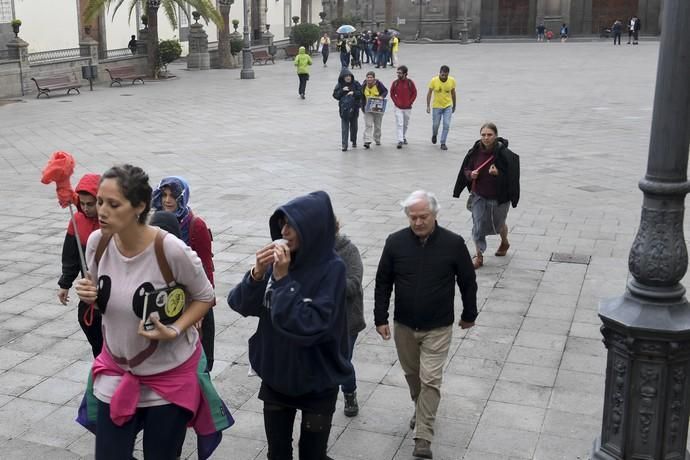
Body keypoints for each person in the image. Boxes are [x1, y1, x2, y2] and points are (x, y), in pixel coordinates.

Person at [74, 164, 230, 460]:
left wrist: (175, 328)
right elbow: (101, 295)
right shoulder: (98, 242)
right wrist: (89, 294)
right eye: (100, 201)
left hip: (168, 378)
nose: (101, 211)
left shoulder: (170, 249)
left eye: (113, 204)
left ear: (140, 206)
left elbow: (205, 296)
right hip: (116, 370)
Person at [227, 190, 351, 460]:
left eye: (292, 225)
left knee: (312, 454)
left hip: (317, 378)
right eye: (282, 224)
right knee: (277, 452)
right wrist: (257, 274)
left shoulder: (333, 269)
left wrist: (283, 281)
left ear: (312, 229)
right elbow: (240, 305)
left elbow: (311, 324)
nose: (284, 231)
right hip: (278, 375)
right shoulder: (278, 262)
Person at [374, 190, 477, 460]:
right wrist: (380, 318)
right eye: (413, 217)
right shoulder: (395, 242)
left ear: (435, 214)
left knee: (430, 379)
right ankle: (422, 410)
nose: (418, 222)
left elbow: (467, 281)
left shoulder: (453, 244)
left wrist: (470, 313)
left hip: (438, 326)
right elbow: (383, 281)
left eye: (424, 217)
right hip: (404, 326)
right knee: (413, 375)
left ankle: (423, 436)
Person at [151, 176, 216, 372]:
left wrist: (202, 311)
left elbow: (206, 267)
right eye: (164, 195)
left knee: (200, 362)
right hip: (166, 298)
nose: (168, 200)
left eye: (173, 196)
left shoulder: (195, 225)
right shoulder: (155, 221)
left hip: (194, 296)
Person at [452, 122, 520, 269]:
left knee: (499, 224)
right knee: (478, 225)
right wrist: (471, 174)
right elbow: (466, 169)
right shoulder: (474, 152)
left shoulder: (505, 154)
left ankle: (504, 241)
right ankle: (479, 256)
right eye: (483, 135)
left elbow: (512, 176)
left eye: (489, 135)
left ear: (495, 136)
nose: (486, 138)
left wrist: (498, 174)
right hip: (479, 196)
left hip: (499, 197)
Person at [58, 173, 103, 358]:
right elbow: (71, 257)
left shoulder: (111, 221)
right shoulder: (76, 221)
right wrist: (64, 284)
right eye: (82, 203)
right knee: (92, 332)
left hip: (111, 287)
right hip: (89, 292)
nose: (85, 208)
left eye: (90, 204)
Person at [334, 218, 365, 417]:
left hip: (346, 321)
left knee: (343, 360)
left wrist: (326, 281)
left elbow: (354, 283)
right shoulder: (307, 251)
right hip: (318, 320)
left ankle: (349, 391)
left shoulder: (348, 250)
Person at [426, 65, 456, 151]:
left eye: (446, 75)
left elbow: (453, 93)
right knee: (436, 125)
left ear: (448, 74)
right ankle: (434, 134)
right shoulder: (434, 80)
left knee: (446, 124)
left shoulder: (452, 81)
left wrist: (454, 105)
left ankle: (443, 142)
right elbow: (429, 93)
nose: (444, 77)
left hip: (447, 106)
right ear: (440, 73)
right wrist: (428, 106)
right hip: (437, 106)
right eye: (442, 74)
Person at [333, 68, 363, 152]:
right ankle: (344, 145)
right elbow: (335, 95)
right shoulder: (339, 85)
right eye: (346, 76)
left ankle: (353, 140)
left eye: (349, 76)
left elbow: (361, 93)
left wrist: (354, 93)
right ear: (342, 77)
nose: (348, 78)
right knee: (344, 128)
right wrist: (342, 91)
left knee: (354, 127)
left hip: (354, 109)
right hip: (344, 110)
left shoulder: (356, 83)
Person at [390, 65, 417, 149]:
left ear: (405, 74)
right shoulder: (395, 83)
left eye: (400, 73)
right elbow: (392, 93)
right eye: (397, 72)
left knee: (405, 124)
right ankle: (400, 140)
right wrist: (396, 102)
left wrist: (410, 102)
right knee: (400, 123)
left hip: (408, 107)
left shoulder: (410, 83)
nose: (398, 74)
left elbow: (414, 93)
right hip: (398, 107)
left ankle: (403, 136)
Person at [361, 70, 388, 149]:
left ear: (374, 78)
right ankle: (367, 141)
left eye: (371, 77)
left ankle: (377, 138)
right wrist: (362, 107)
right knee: (368, 125)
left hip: (378, 108)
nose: (369, 79)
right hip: (368, 108)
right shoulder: (363, 86)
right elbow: (361, 97)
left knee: (377, 126)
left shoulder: (378, 84)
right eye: (368, 77)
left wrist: (381, 97)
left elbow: (385, 91)